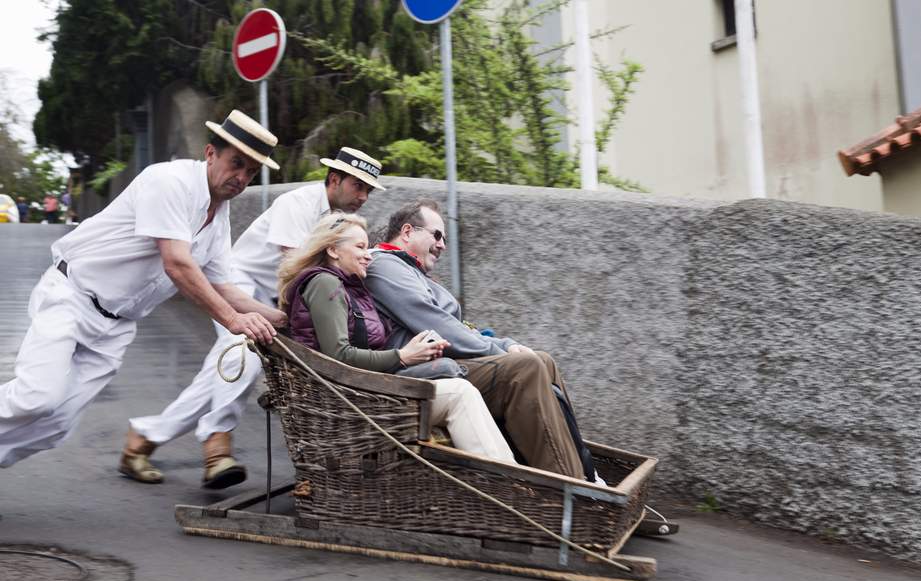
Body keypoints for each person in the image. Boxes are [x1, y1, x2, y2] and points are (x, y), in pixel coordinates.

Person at [0, 110, 286, 475]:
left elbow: (223, 285)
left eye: (251, 172)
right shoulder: (170, 182)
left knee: (55, 426)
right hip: (72, 297)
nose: (242, 177)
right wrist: (234, 321)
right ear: (210, 153)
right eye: (237, 164)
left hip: (116, 327)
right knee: (36, 397)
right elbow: (178, 264)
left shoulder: (220, 214)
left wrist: (280, 319)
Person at [120, 147, 386, 488]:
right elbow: (293, 269)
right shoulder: (300, 203)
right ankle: (217, 445)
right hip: (238, 286)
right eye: (358, 186)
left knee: (220, 372)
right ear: (334, 179)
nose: (363, 196)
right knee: (242, 355)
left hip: (270, 296)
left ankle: (142, 438)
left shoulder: (337, 220)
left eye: (368, 189)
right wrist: (297, 319)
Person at [364, 199, 601, 482]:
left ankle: (586, 472)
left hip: (444, 362)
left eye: (444, 238)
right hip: (421, 373)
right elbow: (437, 326)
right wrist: (500, 349)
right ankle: (570, 489)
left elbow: (455, 326)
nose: (442, 245)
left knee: (542, 360)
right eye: (437, 235)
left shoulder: (409, 270)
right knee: (525, 367)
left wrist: (505, 344)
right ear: (407, 232)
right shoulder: (384, 266)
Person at [277, 213, 516, 463]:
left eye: (368, 247)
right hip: (350, 401)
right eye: (360, 247)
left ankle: (506, 478)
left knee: (459, 385)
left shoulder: (349, 286)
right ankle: (508, 484)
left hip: (365, 389)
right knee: (459, 393)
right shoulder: (325, 283)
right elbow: (338, 356)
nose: (368, 254)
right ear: (334, 251)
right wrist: (403, 356)